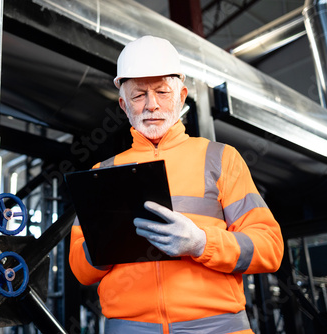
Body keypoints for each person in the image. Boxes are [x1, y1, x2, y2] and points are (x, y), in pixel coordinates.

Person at [69, 35, 284, 334]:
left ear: (181, 96)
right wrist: (104, 243)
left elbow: (270, 248)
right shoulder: (103, 172)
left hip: (218, 328)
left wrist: (201, 243)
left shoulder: (220, 159)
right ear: (123, 104)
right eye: (138, 95)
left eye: (162, 92)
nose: (152, 105)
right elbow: (80, 269)